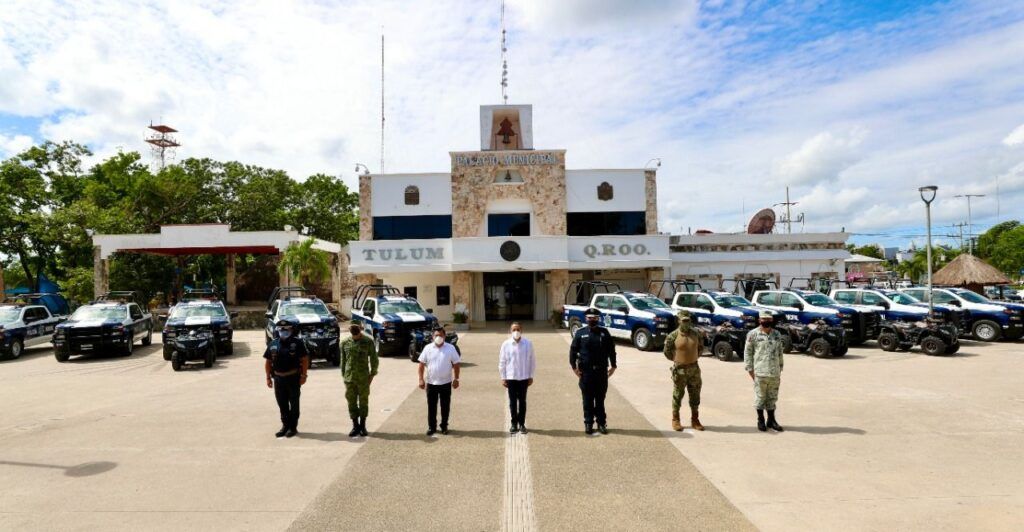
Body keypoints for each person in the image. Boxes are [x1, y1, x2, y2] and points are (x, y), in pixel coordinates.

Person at [569, 307, 617, 435]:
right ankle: (588, 423)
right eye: (590, 318)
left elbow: (611, 350)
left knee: (600, 399)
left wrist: (613, 365)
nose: (592, 320)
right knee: (587, 399)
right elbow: (573, 351)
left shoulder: (604, 333)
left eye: (594, 318)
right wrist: (574, 367)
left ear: (598, 319)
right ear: (586, 319)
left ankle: (601, 423)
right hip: (586, 373)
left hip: (601, 372)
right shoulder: (580, 333)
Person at [264, 319, 310, 438]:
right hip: (278, 379)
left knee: (294, 404)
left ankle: (293, 427)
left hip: (293, 378)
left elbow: (304, 359)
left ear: (291, 330)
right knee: (282, 404)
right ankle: (285, 426)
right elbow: (268, 362)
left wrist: (304, 375)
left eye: (286, 329)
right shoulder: (273, 344)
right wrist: (268, 378)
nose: (283, 331)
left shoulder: (298, 343)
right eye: (281, 329)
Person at [744, 310, 785, 432]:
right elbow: (748, 353)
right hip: (760, 372)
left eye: (768, 319)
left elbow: (780, 352)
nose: (766, 321)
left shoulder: (777, 334)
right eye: (764, 319)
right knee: (760, 397)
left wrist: (780, 367)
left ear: (772, 320)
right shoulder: (753, 334)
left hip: (774, 372)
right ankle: (760, 420)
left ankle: (771, 421)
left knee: (772, 397)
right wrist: (750, 370)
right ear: (759, 320)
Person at [663, 310, 704, 432]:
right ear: (679, 321)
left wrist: (693, 358)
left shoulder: (696, 334)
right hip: (680, 371)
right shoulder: (672, 336)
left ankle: (695, 419)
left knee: (695, 395)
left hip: (694, 369)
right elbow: (667, 352)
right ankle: (675, 419)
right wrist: (678, 360)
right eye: (684, 320)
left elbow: (701, 348)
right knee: (677, 395)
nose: (686, 323)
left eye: (688, 320)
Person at [418, 326, 461, 435]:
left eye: (440, 335)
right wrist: (421, 379)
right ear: (432, 337)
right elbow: (421, 365)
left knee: (445, 406)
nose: (438, 337)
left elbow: (456, 364)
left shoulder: (450, 348)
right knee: (431, 407)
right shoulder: (427, 348)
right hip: (431, 383)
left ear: (444, 336)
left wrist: (456, 378)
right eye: (436, 335)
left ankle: (444, 426)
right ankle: (432, 427)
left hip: (446, 383)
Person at [340, 324, 379, 438]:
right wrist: (344, 376)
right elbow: (343, 361)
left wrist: (372, 374)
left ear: (360, 331)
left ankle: (362, 426)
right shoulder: (344, 343)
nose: (355, 336)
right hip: (349, 378)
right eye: (353, 335)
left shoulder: (368, 342)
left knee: (363, 402)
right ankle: (355, 425)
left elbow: (374, 359)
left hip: (363, 378)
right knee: (351, 401)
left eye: (357, 334)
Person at [498, 322, 536, 434]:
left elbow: (532, 361)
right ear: (510, 331)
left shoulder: (528, 343)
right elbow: (502, 362)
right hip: (511, 377)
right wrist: (503, 377)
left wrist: (531, 375)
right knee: (513, 402)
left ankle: (522, 424)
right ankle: (514, 424)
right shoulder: (506, 344)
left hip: (524, 377)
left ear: (522, 330)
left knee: (522, 402)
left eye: (518, 329)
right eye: (514, 329)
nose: (516, 332)